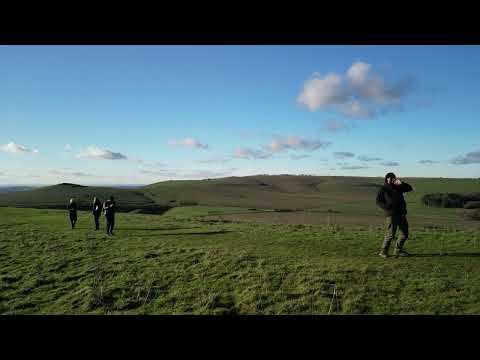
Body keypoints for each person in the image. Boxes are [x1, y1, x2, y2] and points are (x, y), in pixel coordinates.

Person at [376, 172, 413, 258]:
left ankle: (398, 250)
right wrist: (387, 207)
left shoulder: (398, 187)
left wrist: (401, 183)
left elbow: (409, 188)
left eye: (392, 178)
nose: (391, 179)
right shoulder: (383, 188)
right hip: (391, 214)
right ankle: (383, 251)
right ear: (386, 179)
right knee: (391, 234)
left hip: (401, 214)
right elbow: (378, 201)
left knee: (405, 233)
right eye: (389, 177)